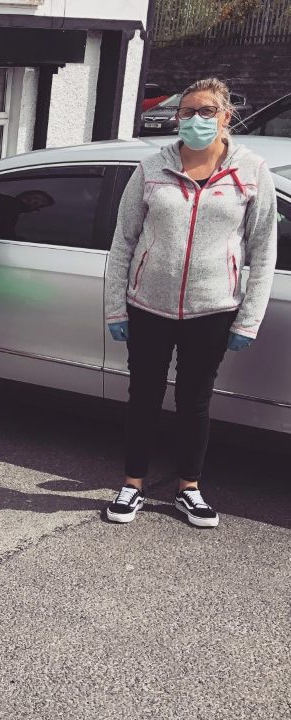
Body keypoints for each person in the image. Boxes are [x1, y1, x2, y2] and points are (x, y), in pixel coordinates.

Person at [103, 77, 277, 528]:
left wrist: (248, 319)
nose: (196, 120)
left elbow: (263, 251)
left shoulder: (251, 171)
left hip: (213, 309)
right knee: (143, 397)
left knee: (194, 401)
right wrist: (116, 307)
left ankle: (189, 488)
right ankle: (132, 484)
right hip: (148, 306)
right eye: (187, 112)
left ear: (226, 116)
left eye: (207, 112)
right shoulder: (151, 168)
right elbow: (123, 241)